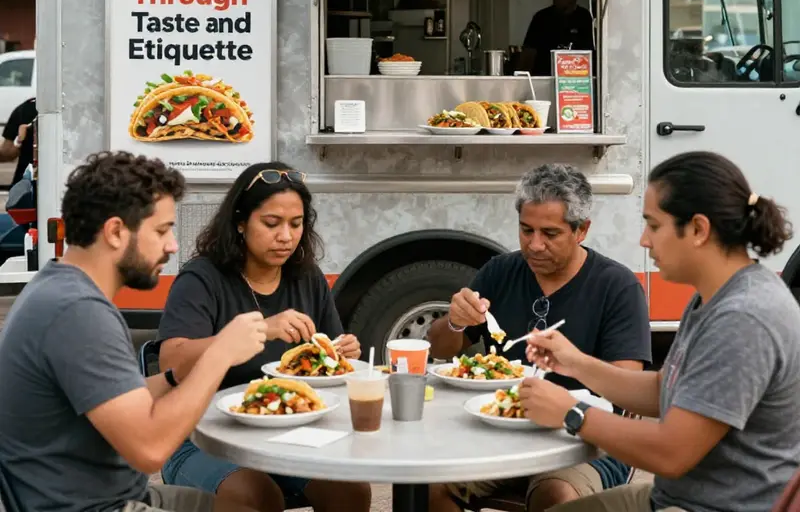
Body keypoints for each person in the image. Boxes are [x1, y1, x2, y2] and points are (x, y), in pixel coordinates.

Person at [521, 150, 800, 512]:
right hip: (675, 498)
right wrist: (575, 363)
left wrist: (571, 412)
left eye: (653, 225)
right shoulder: (716, 294)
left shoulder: (744, 317)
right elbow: (663, 389)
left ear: (698, 229)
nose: (644, 240)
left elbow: (671, 452)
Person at [0, 150, 266, 512]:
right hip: (88, 507)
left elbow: (117, 397)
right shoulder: (78, 311)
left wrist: (175, 377)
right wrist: (220, 353)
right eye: (161, 230)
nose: (173, 245)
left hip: (108, 495)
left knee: (254, 505)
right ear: (115, 232)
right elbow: (151, 449)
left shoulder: (57, 287)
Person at [427, 163, 652, 512]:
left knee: (556, 495)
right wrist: (455, 322)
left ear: (581, 230)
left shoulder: (616, 287)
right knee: (429, 485)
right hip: (501, 428)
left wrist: (572, 365)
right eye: (526, 230)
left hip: (583, 441)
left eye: (550, 233)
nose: (534, 245)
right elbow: (440, 347)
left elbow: (629, 386)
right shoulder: (500, 272)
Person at [157, 162, 371, 512]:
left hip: (286, 434)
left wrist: (343, 354)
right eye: (272, 224)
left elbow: (330, 364)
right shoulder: (202, 279)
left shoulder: (307, 278)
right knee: (257, 496)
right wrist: (261, 329)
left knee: (351, 491)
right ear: (240, 222)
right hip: (200, 437)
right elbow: (171, 362)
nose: (285, 236)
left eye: (296, 224)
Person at [519, 0, 595, 76]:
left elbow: (590, 55)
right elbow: (528, 55)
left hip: (575, 80)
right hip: (542, 79)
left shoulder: (584, 18)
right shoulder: (541, 18)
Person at [0, 95, 36, 187]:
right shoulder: (71, 108)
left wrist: (19, 141)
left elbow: (7, 153)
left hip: (27, 185)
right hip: (67, 183)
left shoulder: (27, 108)